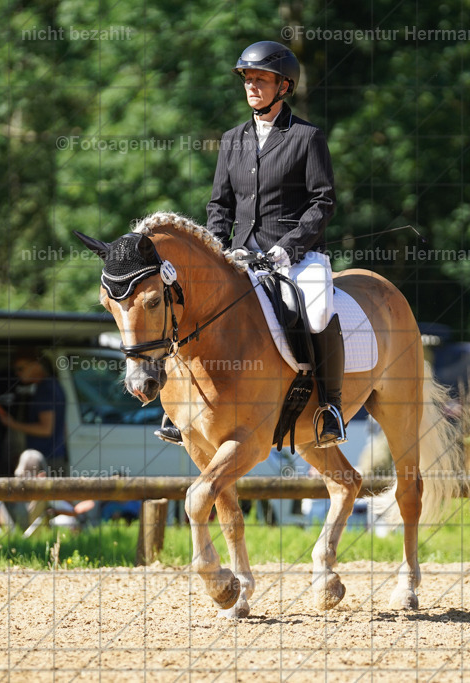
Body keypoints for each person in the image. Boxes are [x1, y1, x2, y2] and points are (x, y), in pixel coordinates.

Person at [156, 40, 345, 447]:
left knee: (317, 311)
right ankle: (177, 407)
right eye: (248, 79)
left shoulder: (306, 137)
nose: (252, 86)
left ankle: (331, 407)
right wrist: (216, 251)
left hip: (296, 254)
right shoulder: (232, 139)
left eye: (261, 79)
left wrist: (287, 248)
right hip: (240, 254)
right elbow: (219, 205)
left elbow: (322, 202)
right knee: (189, 304)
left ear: (284, 86)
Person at [0, 348, 69, 476]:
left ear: (36, 365)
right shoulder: (53, 385)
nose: (17, 373)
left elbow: (46, 429)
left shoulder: (45, 389)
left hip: (46, 461)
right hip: (54, 458)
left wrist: (12, 424)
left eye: (21, 368)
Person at [14, 449, 95, 537]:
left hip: (60, 518)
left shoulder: (55, 492)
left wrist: (57, 511)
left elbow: (78, 509)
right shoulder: (41, 491)